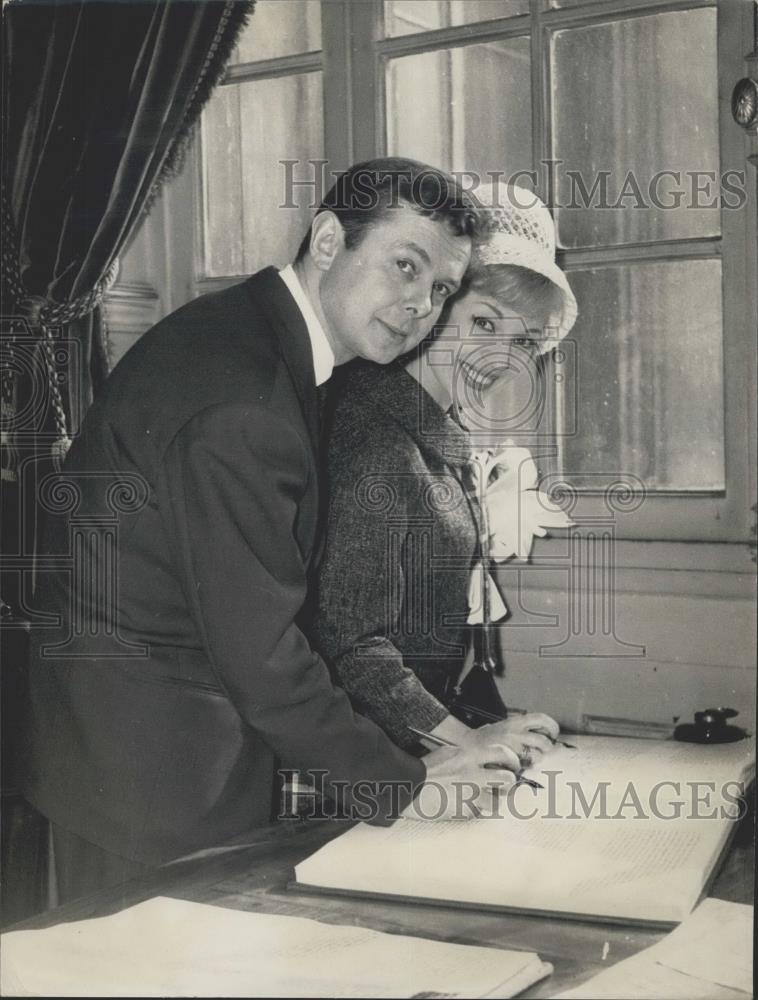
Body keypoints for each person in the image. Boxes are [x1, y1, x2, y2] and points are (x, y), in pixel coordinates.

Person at [21, 159, 522, 902]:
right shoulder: (245, 398)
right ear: (327, 241)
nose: (420, 305)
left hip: (144, 751)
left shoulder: (257, 338)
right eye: (404, 266)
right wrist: (404, 785)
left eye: (441, 287)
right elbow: (259, 649)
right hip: (146, 779)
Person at [313, 183, 577, 763]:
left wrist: (477, 729)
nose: (499, 361)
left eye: (523, 341)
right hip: (359, 766)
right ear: (435, 302)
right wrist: (465, 740)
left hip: (408, 748)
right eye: (485, 324)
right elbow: (350, 644)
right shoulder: (374, 429)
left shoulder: (430, 422)